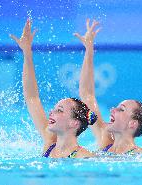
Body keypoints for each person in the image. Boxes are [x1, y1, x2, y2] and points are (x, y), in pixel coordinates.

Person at [10, 19, 97, 158]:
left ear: (74, 123)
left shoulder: (86, 157)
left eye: (59, 110)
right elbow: (32, 98)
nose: (51, 112)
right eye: (56, 109)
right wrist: (27, 52)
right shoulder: (49, 145)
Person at [75, 19, 142, 154]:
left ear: (132, 124)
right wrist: (89, 50)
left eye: (121, 109)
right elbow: (86, 94)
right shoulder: (105, 140)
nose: (112, 110)